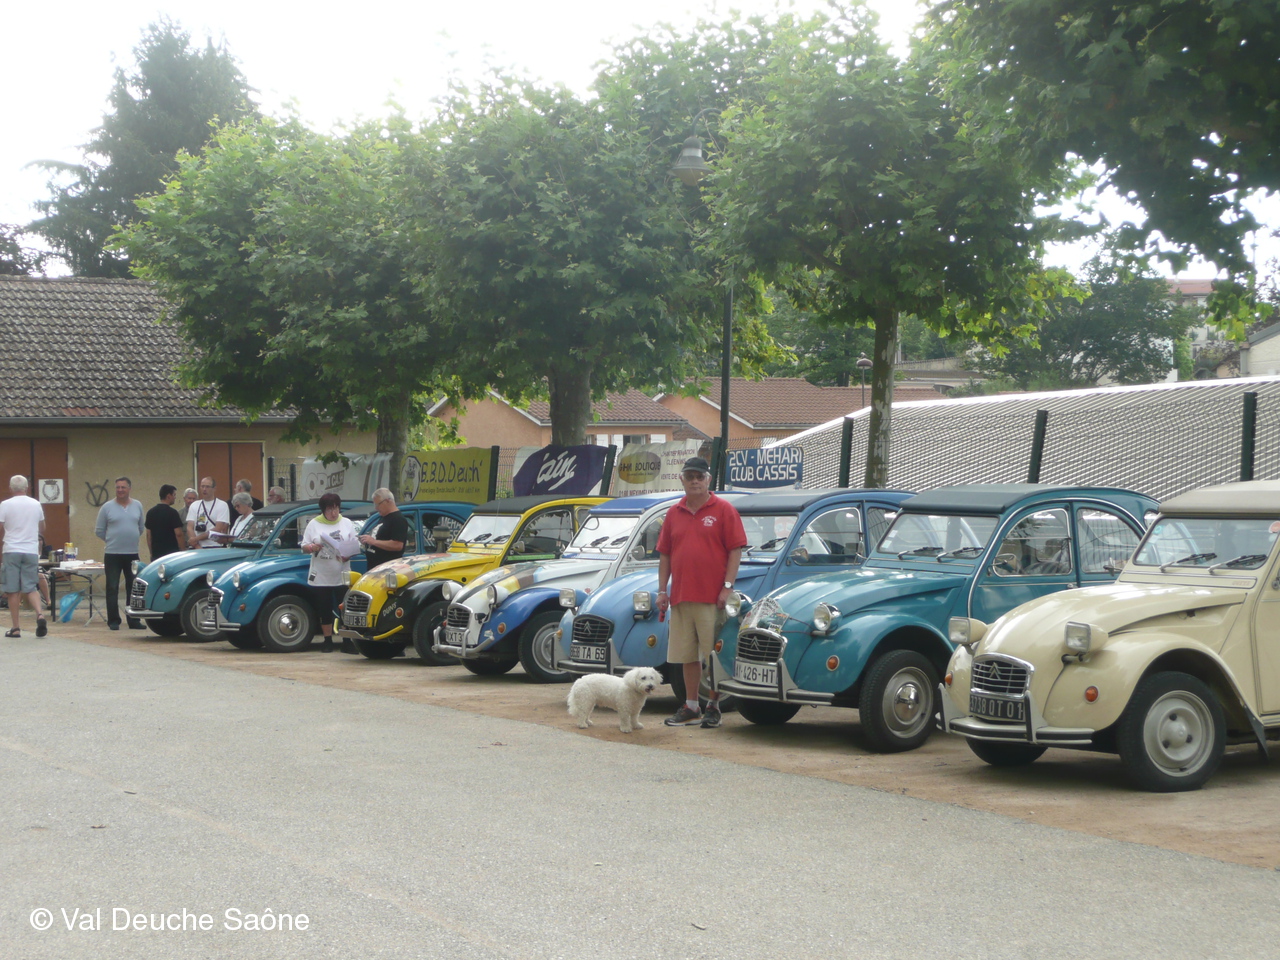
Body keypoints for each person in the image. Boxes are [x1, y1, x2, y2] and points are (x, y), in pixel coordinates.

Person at [656, 456, 746, 729]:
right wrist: (662, 591)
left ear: (708, 480)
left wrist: (727, 587)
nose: (694, 481)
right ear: (682, 479)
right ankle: (691, 705)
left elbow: (735, 550)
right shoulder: (674, 513)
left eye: (699, 476)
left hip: (712, 598)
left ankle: (714, 706)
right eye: (690, 476)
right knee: (687, 655)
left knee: (713, 655)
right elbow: (665, 554)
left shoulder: (724, 509)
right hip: (681, 596)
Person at [301, 492, 359, 651]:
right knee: (324, 607)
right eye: (329, 509)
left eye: (336, 508)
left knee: (344, 606)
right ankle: (327, 640)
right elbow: (304, 546)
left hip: (342, 572)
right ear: (323, 510)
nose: (334, 513)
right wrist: (312, 547)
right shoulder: (314, 524)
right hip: (322, 573)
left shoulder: (346, 523)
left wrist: (348, 554)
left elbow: (354, 544)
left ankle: (347, 640)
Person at [95, 476, 145, 631]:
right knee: (112, 587)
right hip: (113, 554)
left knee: (133, 588)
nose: (120, 490)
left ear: (129, 488)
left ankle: (134, 620)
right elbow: (99, 530)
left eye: (123, 487)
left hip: (132, 554)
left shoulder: (137, 505)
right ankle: (114, 620)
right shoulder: (107, 507)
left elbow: (140, 527)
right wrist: (112, 540)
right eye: (117, 487)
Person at [0, 475, 47, 638]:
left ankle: (15, 628)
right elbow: (42, 526)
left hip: (11, 549)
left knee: (13, 590)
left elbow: (1, 526)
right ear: (27, 488)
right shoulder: (36, 504)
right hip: (31, 550)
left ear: (10, 488)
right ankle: (40, 614)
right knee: (31, 586)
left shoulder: (5, 505)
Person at [358, 487, 408, 569]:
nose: (376, 508)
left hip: (387, 569)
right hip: (374, 568)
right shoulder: (383, 517)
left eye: (378, 504)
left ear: (388, 501)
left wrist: (373, 542)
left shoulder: (398, 519)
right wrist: (367, 541)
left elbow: (398, 545)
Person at [145, 484, 187, 561]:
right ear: (168, 496)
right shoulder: (173, 513)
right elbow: (179, 534)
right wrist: (183, 551)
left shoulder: (150, 512)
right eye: (174, 495)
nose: (175, 497)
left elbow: (148, 535)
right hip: (172, 555)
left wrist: (151, 552)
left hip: (156, 555)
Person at [186, 477, 230, 549]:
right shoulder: (194, 505)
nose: (204, 489)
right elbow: (189, 527)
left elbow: (218, 528)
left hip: (214, 546)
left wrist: (196, 538)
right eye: (202, 486)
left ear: (214, 488)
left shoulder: (222, 505)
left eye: (207, 487)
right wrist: (196, 545)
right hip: (196, 546)